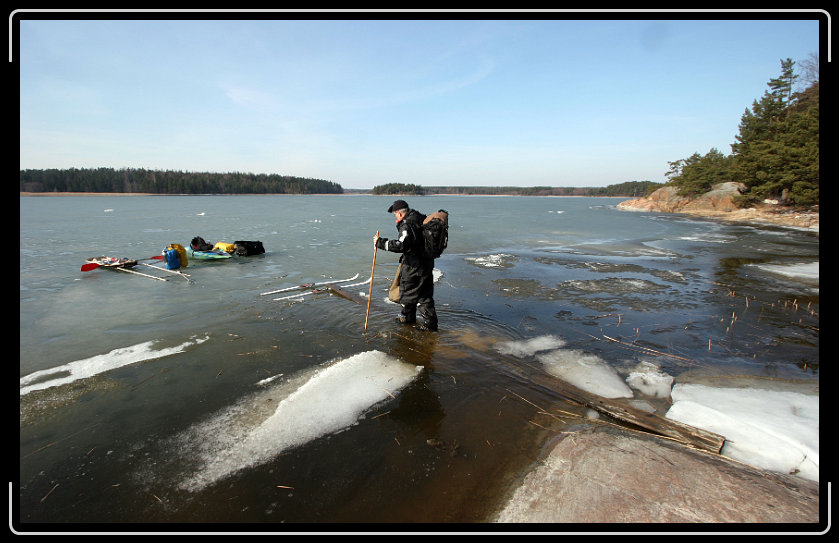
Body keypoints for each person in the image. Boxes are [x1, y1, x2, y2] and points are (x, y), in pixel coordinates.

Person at [374, 199, 438, 331]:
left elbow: (401, 245)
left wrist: (380, 243)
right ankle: (418, 320)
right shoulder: (420, 218)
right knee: (423, 292)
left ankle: (421, 322)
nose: (395, 218)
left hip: (414, 266)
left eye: (394, 215)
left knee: (410, 291)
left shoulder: (407, 224)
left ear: (399, 213)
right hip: (426, 262)